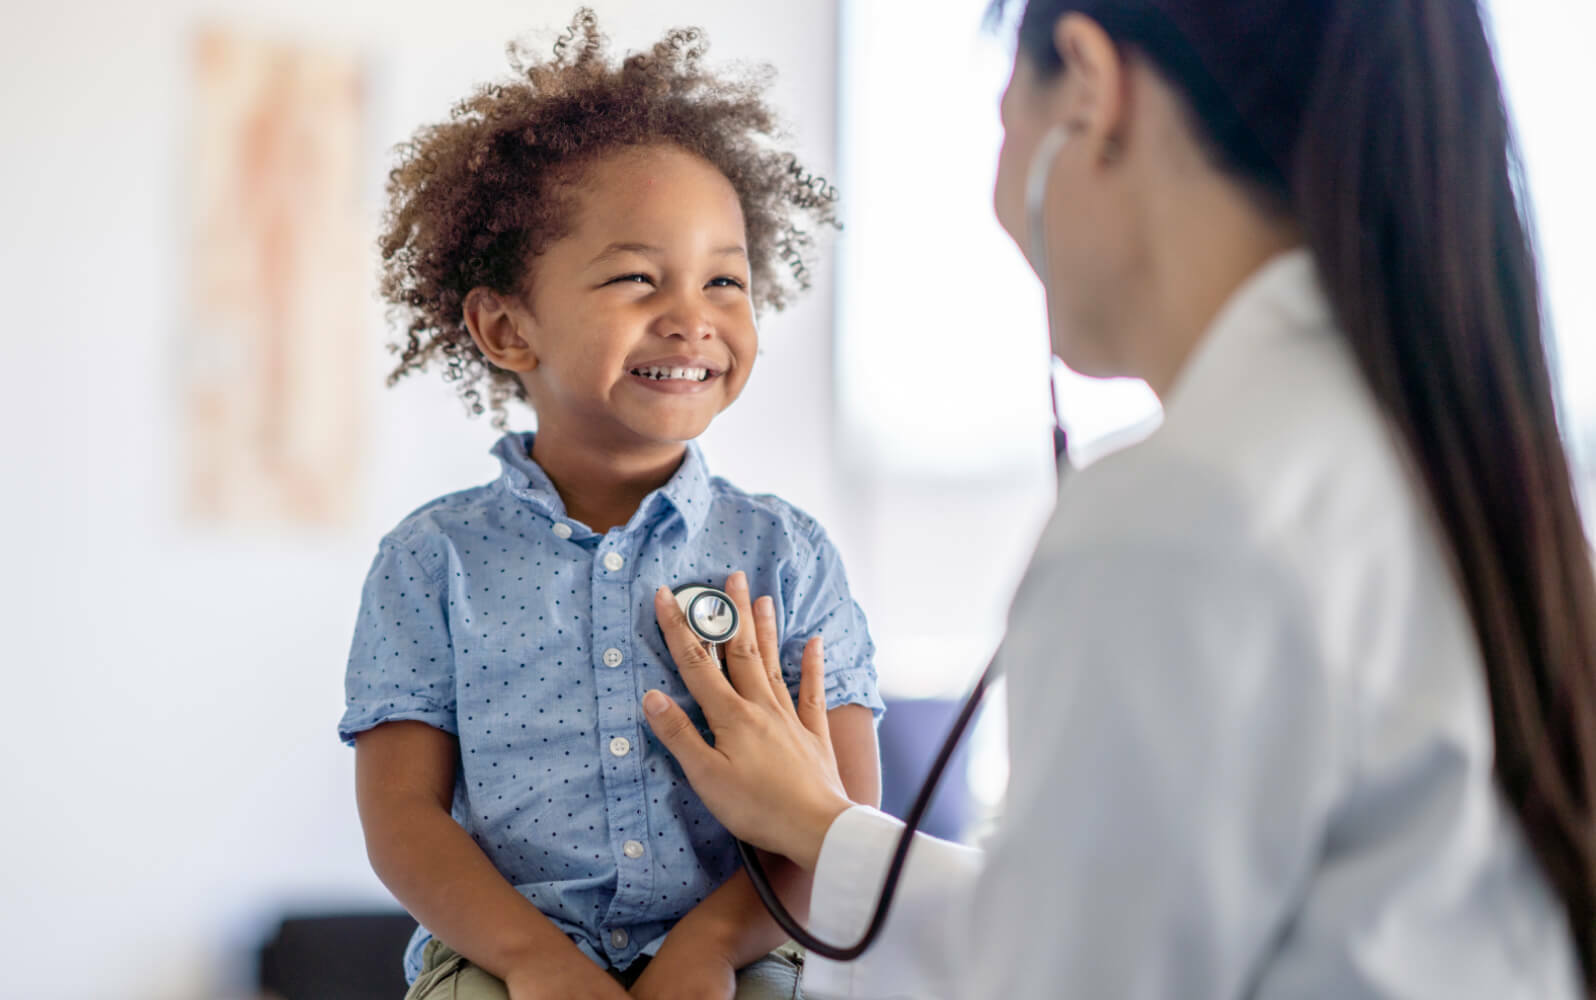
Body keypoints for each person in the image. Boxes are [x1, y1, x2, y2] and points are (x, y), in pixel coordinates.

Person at [639, 0, 1596, 997]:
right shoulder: (1413, 447)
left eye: (1005, 121)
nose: (1004, 205)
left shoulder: (1187, 511)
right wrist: (824, 829)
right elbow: (1114, 923)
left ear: (1089, 89)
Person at [338, 12, 884, 1000]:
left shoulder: (787, 554)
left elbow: (844, 812)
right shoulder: (433, 561)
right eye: (638, 277)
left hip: (749, 948)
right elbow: (403, 821)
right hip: (504, 959)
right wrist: (535, 961)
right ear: (507, 327)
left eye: (725, 278)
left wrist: (713, 946)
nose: (693, 315)